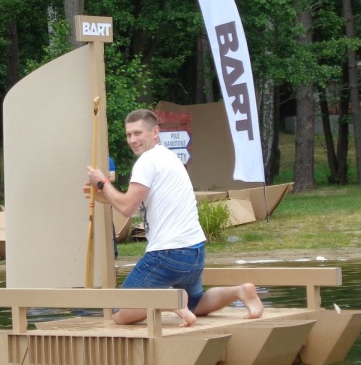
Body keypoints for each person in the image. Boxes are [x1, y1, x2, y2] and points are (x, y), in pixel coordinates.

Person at [86, 109, 263, 327]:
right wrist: (106, 198)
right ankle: (240, 291)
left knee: (119, 312)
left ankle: (170, 302)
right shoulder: (168, 157)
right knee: (195, 304)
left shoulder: (146, 162)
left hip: (167, 253)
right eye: (129, 134)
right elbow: (136, 201)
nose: (133, 140)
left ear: (155, 132)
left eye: (138, 133)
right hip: (194, 251)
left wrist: (102, 182)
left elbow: (126, 208)